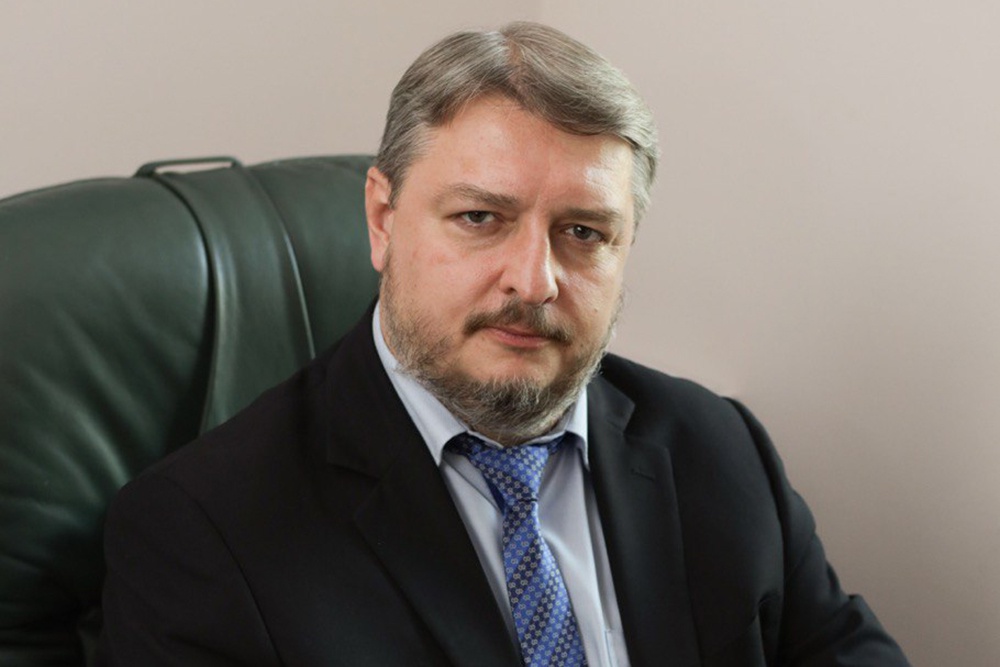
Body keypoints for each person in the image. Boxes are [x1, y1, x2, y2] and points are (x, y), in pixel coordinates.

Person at [97, 21, 910, 667]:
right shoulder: (202, 533)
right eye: (481, 217)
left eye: (583, 232)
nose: (534, 280)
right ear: (382, 219)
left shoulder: (719, 450)